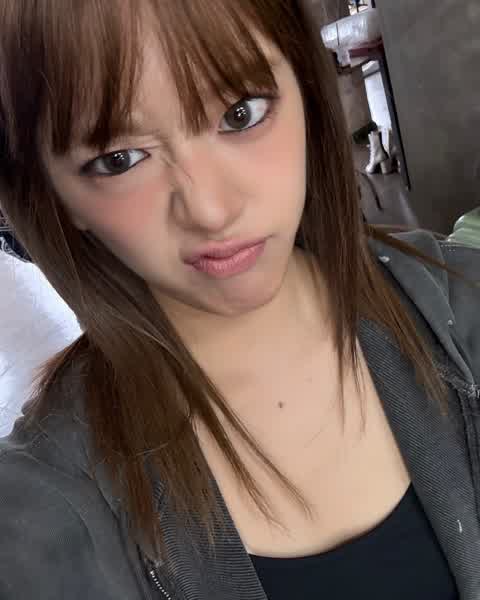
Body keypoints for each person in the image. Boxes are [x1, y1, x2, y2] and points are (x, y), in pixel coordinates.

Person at [0, 1, 479, 598]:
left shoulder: (464, 308)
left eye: (240, 113)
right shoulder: (46, 506)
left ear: (305, 89)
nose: (211, 210)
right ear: (54, 193)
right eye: (118, 160)